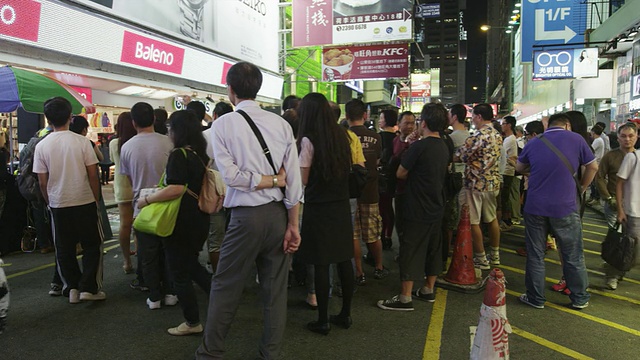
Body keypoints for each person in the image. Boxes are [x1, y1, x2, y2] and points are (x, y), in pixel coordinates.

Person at [196, 62, 303, 360]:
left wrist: (261, 181)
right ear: (257, 88)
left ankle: (210, 353)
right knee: (274, 290)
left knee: (226, 285)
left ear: (230, 90)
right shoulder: (281, 124)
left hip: (245, 218)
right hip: (279, 215)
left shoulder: (222, 125)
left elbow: (230, 177)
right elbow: (293, 181)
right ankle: (270, 354)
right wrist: (294, 225)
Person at [137, 110, 212, 335]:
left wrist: (147, 200)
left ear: (179, 131)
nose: (168, 132)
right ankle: (222, 298)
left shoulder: (179, 155)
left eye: (170, 128)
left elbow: (176, 188)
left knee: (179, 272)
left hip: (179, 221)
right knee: (191, 266)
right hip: (197, 219)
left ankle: (192, 322)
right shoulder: (199, 154)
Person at [516, 113, 597, 310]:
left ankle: (535, 298)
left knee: (535, 254)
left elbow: (519, 167)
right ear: (567, 125)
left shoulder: (534, 142)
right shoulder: (577, 139)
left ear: (548, 126)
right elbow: (593, 166)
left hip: (535, 207)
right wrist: (582, 187)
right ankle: (579, 298)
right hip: (565, 207)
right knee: (572, 254)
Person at [377, 103, 450, 311]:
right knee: (433, 248)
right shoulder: (443, 145)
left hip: (417, 204)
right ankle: (428, 289)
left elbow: (401, 173)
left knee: (410, 248)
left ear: (423, 123)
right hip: (436, 203)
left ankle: (405, 297)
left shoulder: (419, 146)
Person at [33, 97, 104, 303]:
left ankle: (71, 287)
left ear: (47, 119)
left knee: (64, 248)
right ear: (70, 117)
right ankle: (89, 288)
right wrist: (96, 198)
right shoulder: (82, 142)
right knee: (92, 245)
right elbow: (93, 174)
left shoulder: (42, 146)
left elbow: (42, 181)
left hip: (58, 203)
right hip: (85, 200)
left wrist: (50, 201)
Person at [296, 92, 355, 334]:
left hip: (318, 207)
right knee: (343, 259)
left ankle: (323, 320)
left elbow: (304, 178)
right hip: (340, 204)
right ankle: (345, 314)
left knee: (321, 263)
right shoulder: (342, 136)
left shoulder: (309, 140)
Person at [120, 102, 174, 294]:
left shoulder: (126, 147)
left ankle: (150, 287)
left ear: (134, 123)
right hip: (168, 202)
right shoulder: (168, 142)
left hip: (141, 204)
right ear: (153, 119)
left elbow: (129, 177)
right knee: (167, 248)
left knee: (146, 250)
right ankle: (170, 288)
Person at [455, 103, 502, 270]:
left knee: (473, 221)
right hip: (493, 183)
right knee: (492, 219)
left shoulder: (478, 136)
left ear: (479, 117)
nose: (472, 120)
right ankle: (495, 255)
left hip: (475, 184)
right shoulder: (497, 135)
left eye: (473, 116)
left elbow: (460, 156)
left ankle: (481, 258)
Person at [346, 99, 388, 285]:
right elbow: (377, 161)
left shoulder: (344, 136)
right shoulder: (376, 137)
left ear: (346, 116)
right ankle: (379, 266)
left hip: (350, 192)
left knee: (353, 235)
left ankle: (358, 272)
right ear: (365, 115)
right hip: (370, 191)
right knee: (372, 233)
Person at [604, 123, 639, 290]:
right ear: (618, 138)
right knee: (622, 244)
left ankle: (620, 271)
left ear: (637, 136)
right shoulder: (615, 156)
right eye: (624, 136)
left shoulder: (636, 156)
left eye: (631, 136)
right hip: (622, 208)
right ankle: (613, 274)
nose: (627, 139)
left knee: (631, 247)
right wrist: (614, 204)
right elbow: (603, 178)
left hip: (634, 209)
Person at [201, 101, 233, 274]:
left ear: (214, 116)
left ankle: (217, 274)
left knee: (216, 238)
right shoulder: (239, 135)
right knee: (235, 237)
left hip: (214, 193)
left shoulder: (205, 136)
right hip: (237, 192)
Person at [109, 112, 136, 273]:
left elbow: (113, 160)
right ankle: (142, 255)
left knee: (125, 225)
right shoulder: (136, 142)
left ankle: (127, 261)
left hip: (122, 187)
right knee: (140, 225)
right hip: (138, 187)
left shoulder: (114, 144)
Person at [392, 111, 418, 246]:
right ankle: (403, 249)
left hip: (414, 190)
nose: (410, 126)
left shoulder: (418, 143)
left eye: (412, 123)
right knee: (400, 221)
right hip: (399, 189)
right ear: (399, 124)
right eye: (406, 123)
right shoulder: (395, 141)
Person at [378, 109, 398, 250]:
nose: (379, 120)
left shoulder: (379, 137)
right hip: (393, 177)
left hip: (381, 177)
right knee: (388, 207)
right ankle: (388, 236)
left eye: (381, 118)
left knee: (381, 209)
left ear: (386, 121)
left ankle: (382, 237)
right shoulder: (398, 138)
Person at [499, 116, 518, 231]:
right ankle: (506, 220)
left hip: (507, 172)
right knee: (505, 197)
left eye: (503, 123)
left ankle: (506, 221)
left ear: (509, 125)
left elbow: (508, 156)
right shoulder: (508, 139)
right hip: (506, 171)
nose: (502, 125)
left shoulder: (511, 139)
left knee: (504, 198)